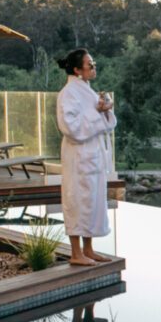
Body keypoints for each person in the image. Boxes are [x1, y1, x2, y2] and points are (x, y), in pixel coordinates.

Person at [56, 48, 116, 266]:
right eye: (90, 65)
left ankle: (88, 249)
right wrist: (98, 116)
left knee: (91, 201)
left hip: (91, 155)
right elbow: (69, 126)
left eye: (94, 64)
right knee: (77, 200)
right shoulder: (69, 92)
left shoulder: (86, 90)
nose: (94, 68)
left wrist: (104, 109)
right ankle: (75, 252)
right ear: (76, 70)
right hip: (78, 156)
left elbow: (99, 119)